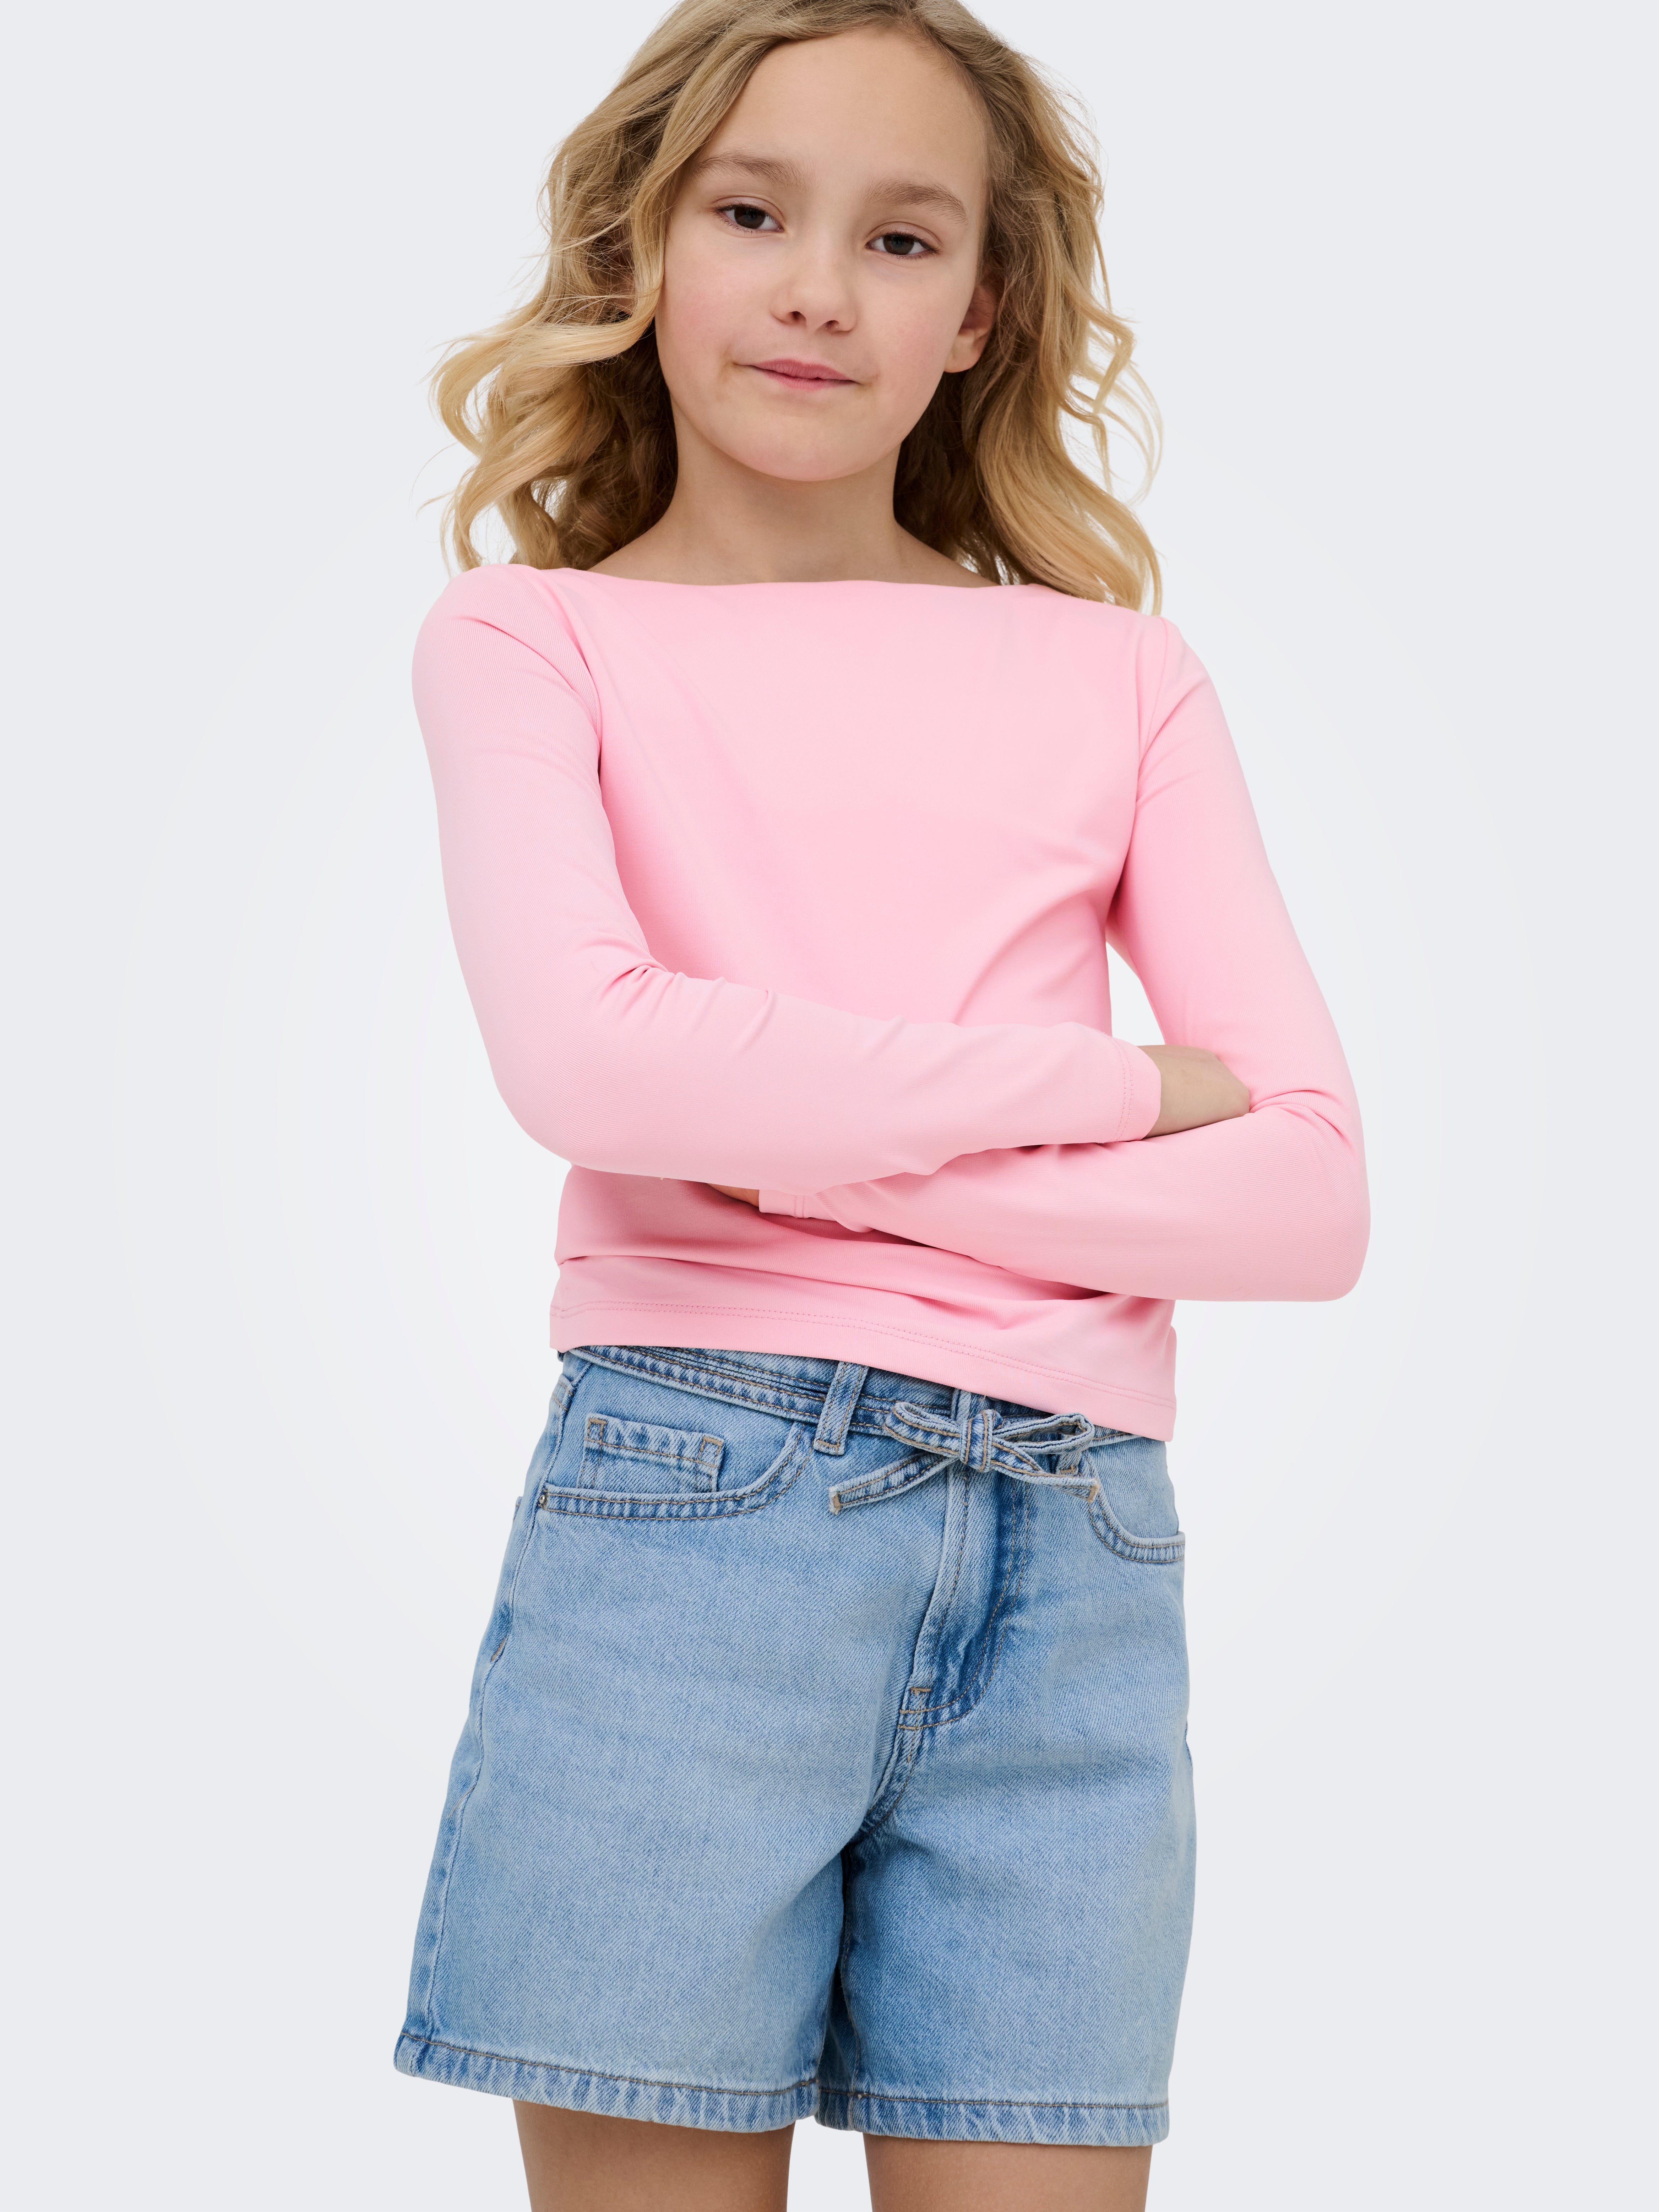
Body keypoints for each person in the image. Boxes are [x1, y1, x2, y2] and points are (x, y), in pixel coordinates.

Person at [392, 2, 1369, 2205]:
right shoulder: (532, 642)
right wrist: (1115, 1091)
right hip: (692, 1520)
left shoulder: (1120, 674)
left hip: (1074, 1557)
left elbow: (1310, 1198)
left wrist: (798, 1152)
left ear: (981, 311)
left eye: (903, 238)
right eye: (753, 212)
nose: (822, 288)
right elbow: (591, 1063)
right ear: (642, 248)